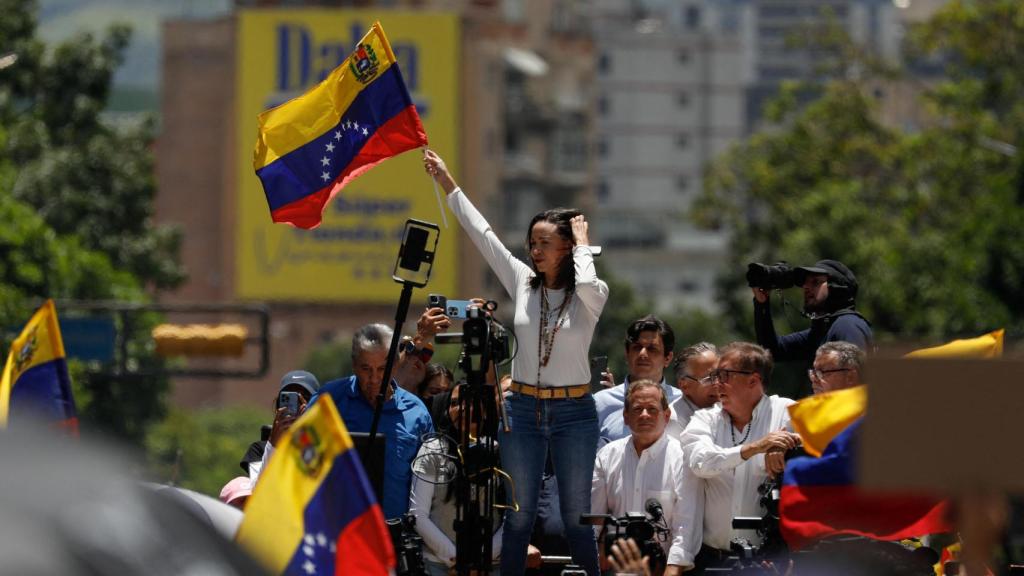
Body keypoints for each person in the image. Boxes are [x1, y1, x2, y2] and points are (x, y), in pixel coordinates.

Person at [425, 149, 609, 576]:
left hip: (574, 411)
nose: (534, 250)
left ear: (568, 248)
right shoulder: (523, 283)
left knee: (577, 520)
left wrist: (584, 246)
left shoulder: (591, 293)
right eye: (532, 242)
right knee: (518, 519)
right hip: (522, 409)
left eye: (545, 243)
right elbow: (483, 234)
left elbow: (588, 285)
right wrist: (447, 181)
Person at [678, 342, 800, 572]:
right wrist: (754, 448)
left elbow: (828, 443)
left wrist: (788, 446)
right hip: (711, 561)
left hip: (767, 562)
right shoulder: (705, 419)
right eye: (715, 375)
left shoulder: (787, 412)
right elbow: (700, 462)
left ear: (753, 380)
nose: (716, 383)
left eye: (724, 375)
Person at [309, 323, 434, 520]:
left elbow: (428, 482)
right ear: (354, 365)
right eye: (366, 369)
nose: (374, 379)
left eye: (382, 369)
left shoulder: (417, 412)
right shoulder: (328, 401)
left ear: (395, 365)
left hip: (394, 532)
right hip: (338, 529)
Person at [591, 381, 691, 576]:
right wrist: (598, 547)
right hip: (614, 566)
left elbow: (686, 525)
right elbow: (595, 517)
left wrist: (673, 568)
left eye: (652, 409)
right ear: (625, 417)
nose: (644, 415)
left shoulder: (682, 458)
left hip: (663, 568)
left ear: (666, 416)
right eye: (637, 409)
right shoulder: (607, 455)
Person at [410, 384, 503, 575]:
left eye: (469, 402)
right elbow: (417, 514)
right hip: (440, 565)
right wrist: (455, 559)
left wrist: (482, 558)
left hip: (490, 565)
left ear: (485, 411)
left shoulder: (499, 451)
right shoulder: (433, 448)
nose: (461, 408)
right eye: (454, 403)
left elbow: (513, 517)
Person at [752, 259, 872, 364]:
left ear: (836, 288)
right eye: (806, 282)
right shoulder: (822, 331)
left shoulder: (847, 325)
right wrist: (762, 303)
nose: (806, 287)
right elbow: (772, 351)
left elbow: (857, 375)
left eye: (815, 282)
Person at [593, 316, 679, 444]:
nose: (642, 354)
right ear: (627, 354)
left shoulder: (682, 404)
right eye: (637, 347)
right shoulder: (600, 403)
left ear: (668, 358)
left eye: (652, 349)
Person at [240, 369, 320, 483]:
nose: (296, 404)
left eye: (305, 398)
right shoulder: (260, 450)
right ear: (278, 405)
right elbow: (260, 489)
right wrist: (273, 445)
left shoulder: (328, 445)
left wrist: (304, 432)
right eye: (288, 398)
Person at [665, 343, 719, 440]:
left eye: (720, 375)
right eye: (708, 379)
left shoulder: (730, 408)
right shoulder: (674, 422)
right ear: (684, 385)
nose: (717, 383)